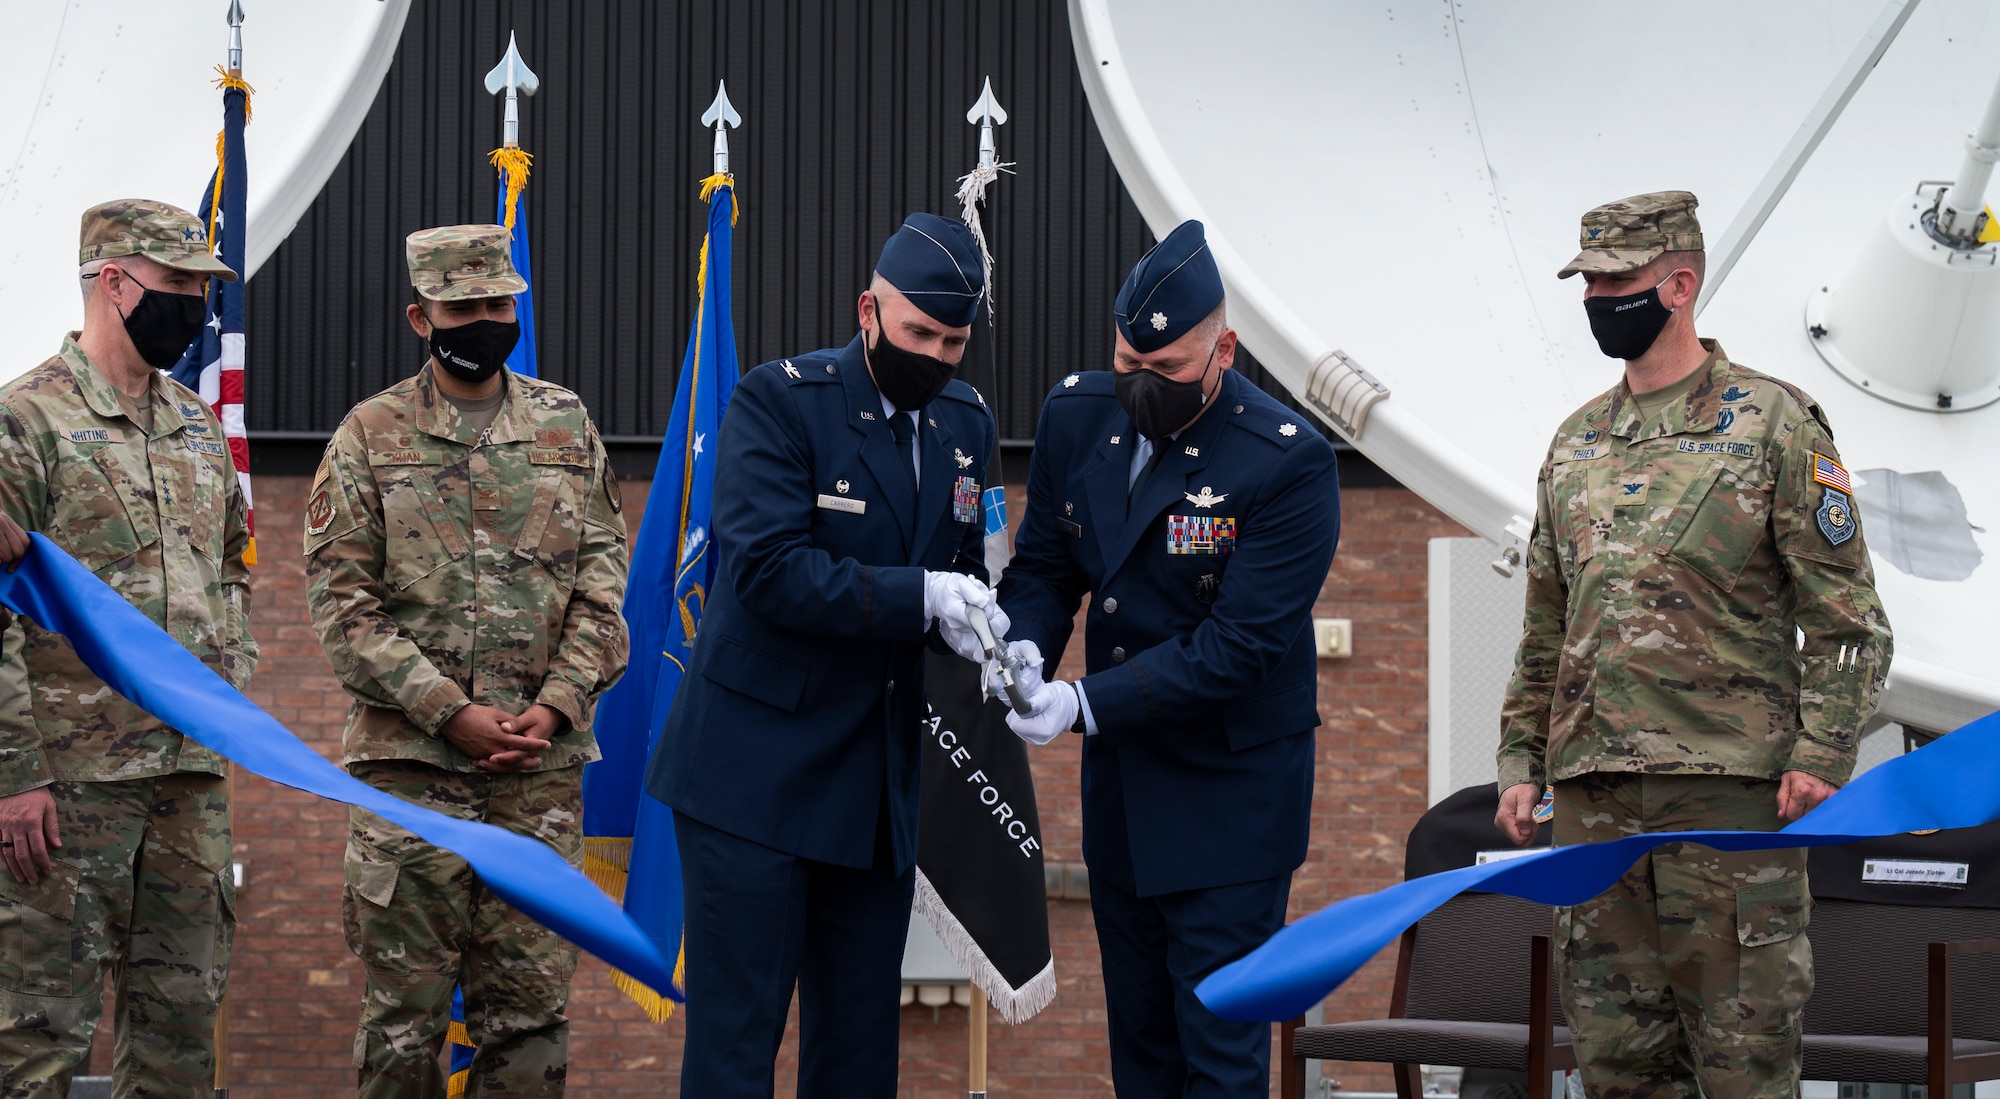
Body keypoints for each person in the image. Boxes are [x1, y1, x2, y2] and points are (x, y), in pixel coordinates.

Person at [1494, 191, 1894, 1099]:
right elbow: (1548, 626)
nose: (1598, 298)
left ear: (1679, 284)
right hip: (1595, 803)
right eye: (1589, 282)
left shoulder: (1773, 424)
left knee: (1743, 1066)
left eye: (1617, 280)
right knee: (1618, 1068)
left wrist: (1824, 750)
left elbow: (1848, 620)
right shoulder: (1575, 443)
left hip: (1727, 802)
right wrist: (1522, 757)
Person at [644, 213, 1001, 1098]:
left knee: (857, 1057)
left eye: (954, 340)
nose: (937, 355)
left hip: (872, 788)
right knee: (737, 1047)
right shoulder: (780, 401)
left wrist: (992, 632)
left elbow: (973, 564)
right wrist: (919, 597)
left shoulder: (964, 422)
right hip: (752, 780)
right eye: (919, 332)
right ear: (868, 312)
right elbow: (766, 570)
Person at [997, 219, 1342, 1097]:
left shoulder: (1286, 464)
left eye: (1169, 369)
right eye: (1127, 363)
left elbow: (1240, 647)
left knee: (1218, 1064)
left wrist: (1079, 703)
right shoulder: (1079, 412)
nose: (1141, 385)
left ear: (1223, 349)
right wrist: (1026, 645)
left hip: (1230, 807)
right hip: (1123, 798)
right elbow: (1046, 561)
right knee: (1141, 1057)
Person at [304, 224, 630, 1098]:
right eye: (465, 306)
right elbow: (343, 608)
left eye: (500, 303)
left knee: (529, 1025)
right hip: (413, 781)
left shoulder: (566, 424)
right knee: (403, 1026)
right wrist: (449, 709)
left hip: (538, 784)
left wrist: (557, 705)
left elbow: (605, 587)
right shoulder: (368, 435)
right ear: (421, 316)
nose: (487, 318)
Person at [0, 198, 256, 1097]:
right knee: (37, 1041)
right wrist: (14, 774)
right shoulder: (23, 421)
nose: (195, 304)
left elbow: (231, 569)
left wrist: (229, 692)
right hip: (68, 789)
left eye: (200, 286)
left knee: (181, 1042)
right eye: (179, 284)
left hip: (187, 782)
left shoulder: (196, 428)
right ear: (114, 282)